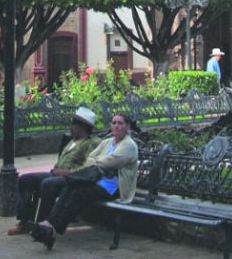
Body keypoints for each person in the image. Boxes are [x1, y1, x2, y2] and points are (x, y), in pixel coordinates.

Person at [30, 113, 139, 250]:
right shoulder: (107, 142)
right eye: (114, 123)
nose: (116, 126)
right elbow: (91, 158)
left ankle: (52, 227)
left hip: (115, 187)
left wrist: (96, 162)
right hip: (95, 180)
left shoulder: (129, 146)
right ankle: (51, 225)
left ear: (127, 126)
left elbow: (109, 162)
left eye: (120, 123)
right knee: (71, 185)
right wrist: (96, 162)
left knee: (80, 192)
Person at [7, 106, 101, 235]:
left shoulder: (92, 143)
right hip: (54, 173)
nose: (71, 126)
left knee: (48, 184)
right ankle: (25, 222)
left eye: (73, 123)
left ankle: (42, 225)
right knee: (25, 180)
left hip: (71, 178)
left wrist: (67, 173)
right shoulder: (73, 140)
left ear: (83, 126)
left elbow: (89, 167)